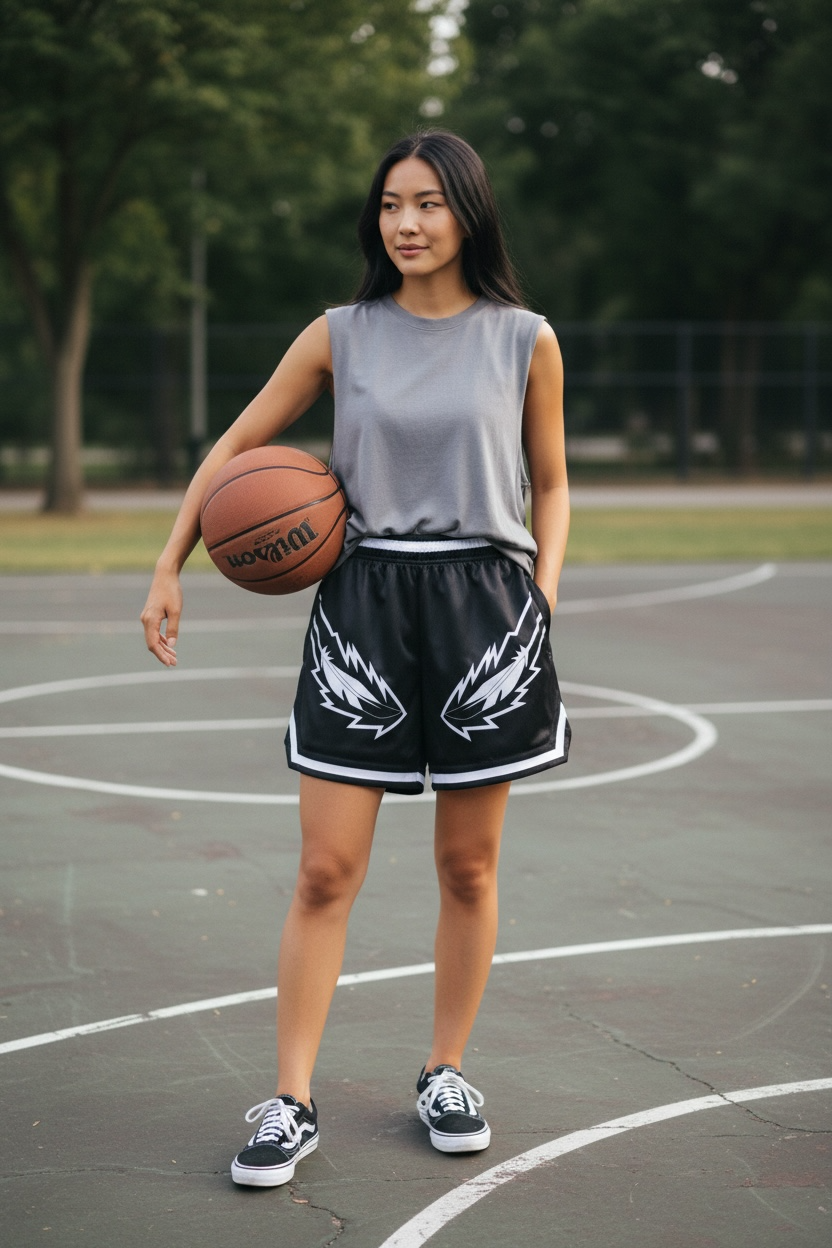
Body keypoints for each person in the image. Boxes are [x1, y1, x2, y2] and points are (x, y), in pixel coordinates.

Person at [140, 129, 570, 1187]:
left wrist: (542, 598)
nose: (406, 223)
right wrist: (168, 562)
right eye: (389, 205)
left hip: (484, 605)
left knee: (468, 866)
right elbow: (236, 450)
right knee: (325, 868)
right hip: (365, 602)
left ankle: (445, 1071)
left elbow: (553, 482)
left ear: (468, 211)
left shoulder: (524, 339)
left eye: (427, 202)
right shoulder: (341, 333)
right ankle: (290, 1100)